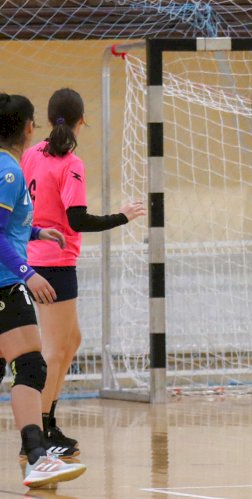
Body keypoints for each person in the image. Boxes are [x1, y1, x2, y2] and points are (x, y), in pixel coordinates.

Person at [21, 88, 146, 454]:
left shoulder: (30, 154)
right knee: (54, 351)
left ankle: (47, 423)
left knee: (70, 342)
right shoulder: (71, 163)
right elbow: (77, 221)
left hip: (32, 258)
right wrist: (122, 216)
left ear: (48, 118)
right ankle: (38, 432)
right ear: (81, 121)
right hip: (54, 264)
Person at [0, 92, 87, 487]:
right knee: (33, 365)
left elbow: (10, 226)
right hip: (5, 282)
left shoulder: (13, 166)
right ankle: (37, 455)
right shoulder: (9, 171)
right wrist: (27, 272)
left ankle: (37, 454)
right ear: (29, 126)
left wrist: (35, 231)